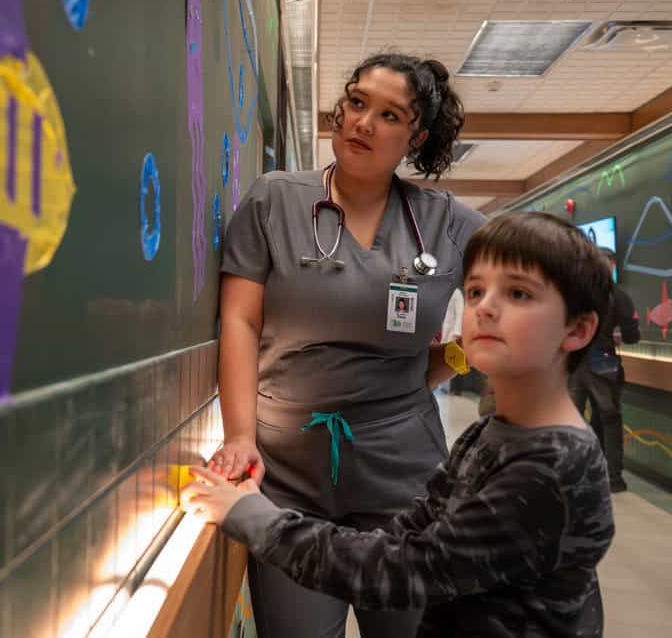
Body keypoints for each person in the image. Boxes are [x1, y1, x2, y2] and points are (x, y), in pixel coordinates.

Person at [187, 212, 615, 638]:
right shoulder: (490, 435)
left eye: (519, 293)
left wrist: (257, 519)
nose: (485, 308)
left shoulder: (551, 467)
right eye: (476, 290)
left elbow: (407, 569)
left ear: (577, 330)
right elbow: (404, 534)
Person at [209, 52, 485, 637]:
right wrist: (239, 435)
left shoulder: (450, 225)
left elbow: (528, 292)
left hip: (405, 479)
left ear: (416, 136)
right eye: (357, 102)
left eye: (389, 115)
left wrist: (464, 353)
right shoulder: (273, 202)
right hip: (287, 474)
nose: (363, 122)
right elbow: (239, 323)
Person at [569, 247, 640, 492]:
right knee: (609, 419)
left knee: (573, 419)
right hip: (604, 362)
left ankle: (576, 472)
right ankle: (613, 478)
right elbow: (632, 335)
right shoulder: (619, 296)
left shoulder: (577, 294)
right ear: (611, 265)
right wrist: (617, 335)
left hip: (575, 361)